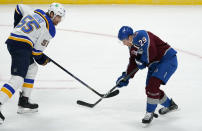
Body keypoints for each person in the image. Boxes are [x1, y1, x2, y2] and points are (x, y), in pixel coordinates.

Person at [0, 3, 66, 124]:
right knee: (18, 79)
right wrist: (44, 60)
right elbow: (36, 53)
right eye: (58, 17)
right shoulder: (50, 29)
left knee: (32, 68)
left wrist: (17, 27)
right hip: (21, 47)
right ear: (52, 14)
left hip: (13, 41)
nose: (59, 20)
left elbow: (18, 7)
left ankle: (24, 101)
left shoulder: (36, 11)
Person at [116, 26, 178, 124]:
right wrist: (126, 77)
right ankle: (170, 105)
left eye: (124, 40)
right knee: (150, 88)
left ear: (130, 37)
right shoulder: (131, 46)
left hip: (167, 59)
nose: (123, 43)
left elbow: (152, 51)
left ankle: (149, 113)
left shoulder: (141, 35)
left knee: (153, 85)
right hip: (154, 64)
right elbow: (133, 61)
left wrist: (143, 61)